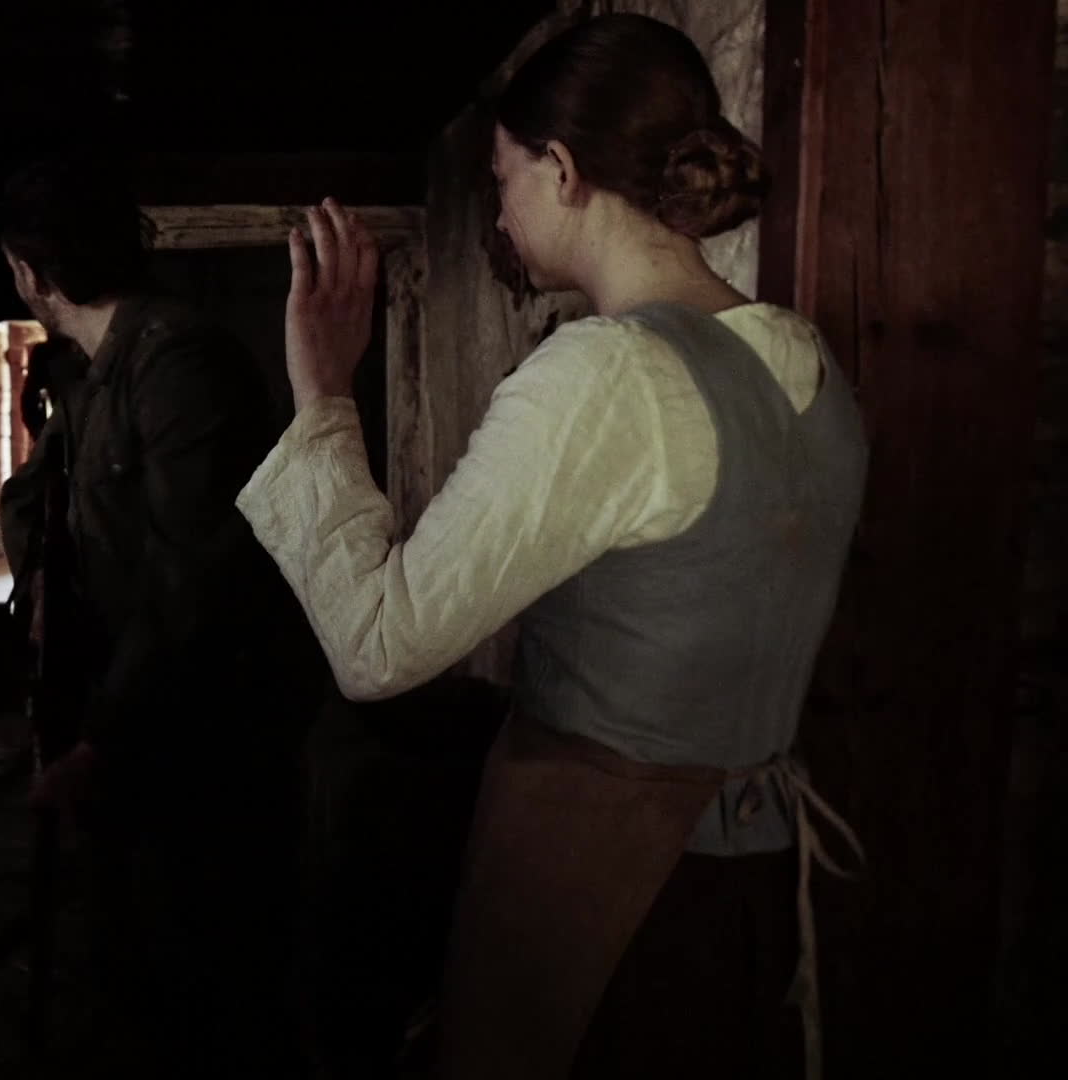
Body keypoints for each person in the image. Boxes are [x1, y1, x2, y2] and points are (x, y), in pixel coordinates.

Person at [239, 14, 868, 1080]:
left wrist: (323, 396)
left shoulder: (608, 375)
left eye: (505, 179)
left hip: (611, 899)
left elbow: (377, 644)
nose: (501, 209)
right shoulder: (805, 360)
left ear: (564, 171)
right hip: (750, 883)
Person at [0, 152, 323, 1077]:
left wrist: (100, 742)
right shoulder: (92, 372)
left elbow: (196, 579)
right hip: (146, 724)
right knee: (137, 973)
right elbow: (37, 506)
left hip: (209, 738)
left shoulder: (178, 363)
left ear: (31, 272)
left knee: (215, 979)